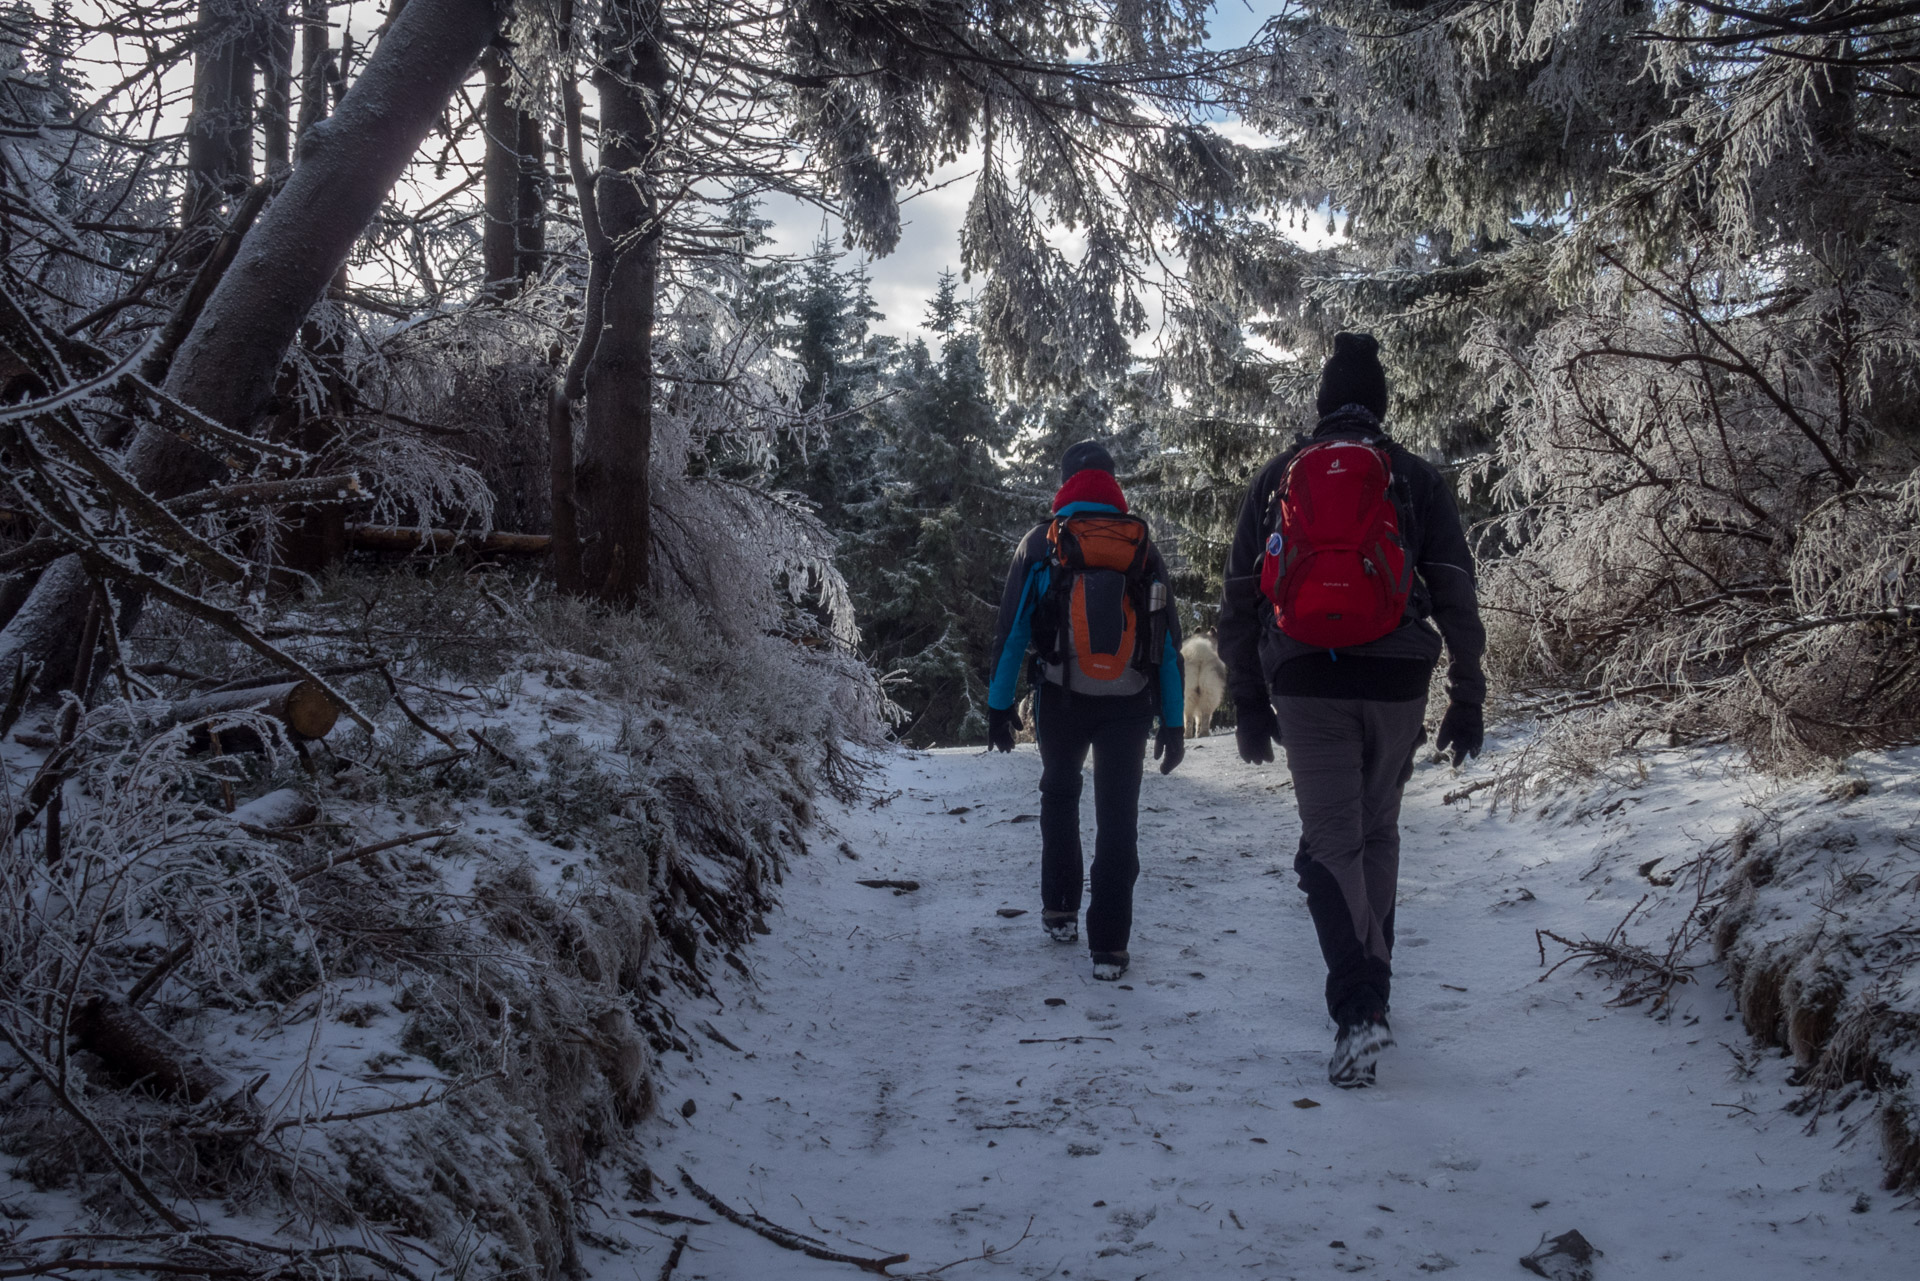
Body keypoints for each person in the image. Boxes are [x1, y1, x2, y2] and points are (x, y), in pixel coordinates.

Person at [1216, 333, 1486, 1087]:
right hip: (1398, 677)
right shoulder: (1415, 478)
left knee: (1327, 846)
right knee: (1374, 834)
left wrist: (1246, 699)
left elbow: (1240, 599)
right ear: (1383, 403)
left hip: (1305, 678)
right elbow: (1456, 595)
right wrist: (1467, 694)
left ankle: (1358, 1010)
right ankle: (1373, 995)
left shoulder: (1278, 477)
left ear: (1323, 402)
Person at [985, 441, 1185, 982]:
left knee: (1060, 794)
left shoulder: (1042, 542)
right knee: (1118, 819)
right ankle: (1110, 948)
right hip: (1130, 704)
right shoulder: (1142, 547)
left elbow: (1013, 633)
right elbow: (1166, 643)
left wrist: (999, 708)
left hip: (1062, 699)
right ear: (1112, 484)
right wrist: (1172, 720)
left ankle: (1059, 912)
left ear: (1067, 481)